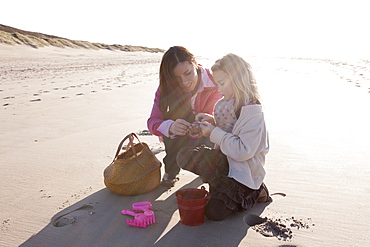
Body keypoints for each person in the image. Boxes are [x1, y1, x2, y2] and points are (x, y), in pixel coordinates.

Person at [177, 53, 270, 221]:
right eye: (216, 83)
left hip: (244, 173)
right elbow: (228, 129)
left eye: (222, 83)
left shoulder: (252, 112)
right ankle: (221, 189)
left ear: (238, 80)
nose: (218, 89)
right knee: (184, 156)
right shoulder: (225, 105)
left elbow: (243, 151)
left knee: (214, 213)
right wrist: (211, 122)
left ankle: (256, 192)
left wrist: (213, 132)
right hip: (226, 163)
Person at [147, 46, 222, 186]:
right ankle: (171, 170)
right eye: (177, 78)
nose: (184, 82)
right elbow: (152, 122)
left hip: (209, 134)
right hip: (179, 136)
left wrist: (206, 122)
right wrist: (170, 127)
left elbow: (220, 115)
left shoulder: (215, 81)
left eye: (187, 73)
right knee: (171, 118)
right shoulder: (166, 87)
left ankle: (213, 167)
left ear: (194, 63)